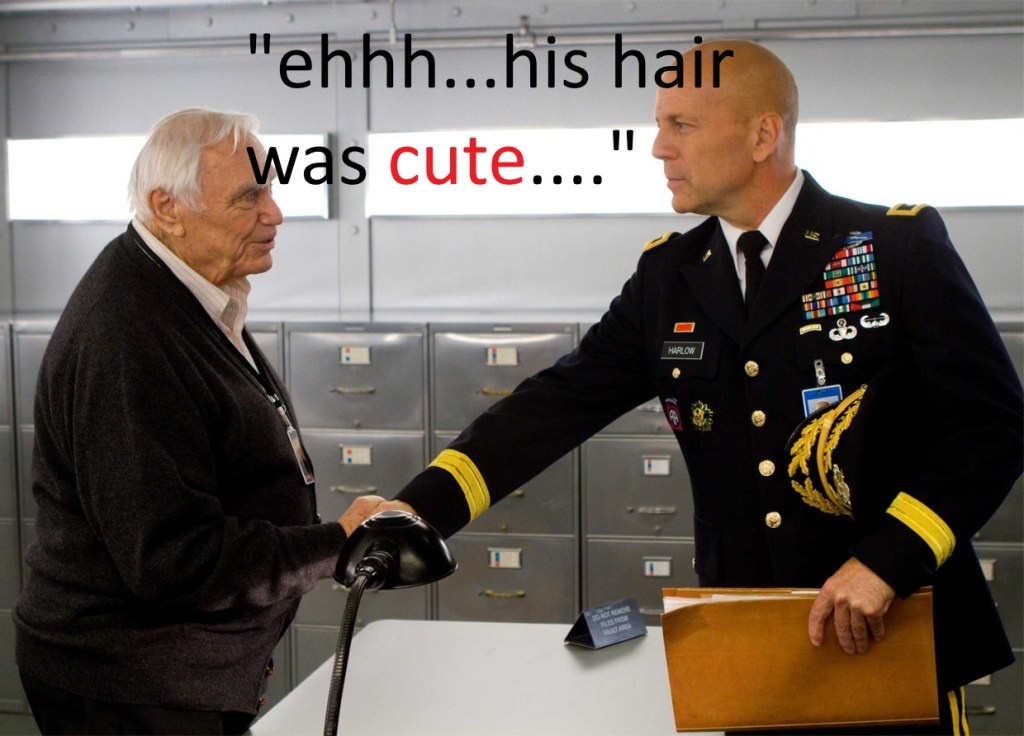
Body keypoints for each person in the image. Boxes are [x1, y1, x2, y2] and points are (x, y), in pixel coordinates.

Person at [369, 41, 1024, 734]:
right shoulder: (670, 276)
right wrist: (415, 510)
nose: (658, 147)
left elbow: (993, 427)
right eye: (659, 124)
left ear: (763, 135)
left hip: (889, 626)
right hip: (748, 643)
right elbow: (554, 406)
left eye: (681, 125)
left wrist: (888, 561)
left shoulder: (892, 247)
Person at [14, 108, 382, 735]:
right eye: (249, 197)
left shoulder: (185, 294)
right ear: (168, 208)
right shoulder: (130, 334)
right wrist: (335, 542)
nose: (275, 213)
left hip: (175, 679)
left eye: (270, 190)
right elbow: (173, 560)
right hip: (132, 687)